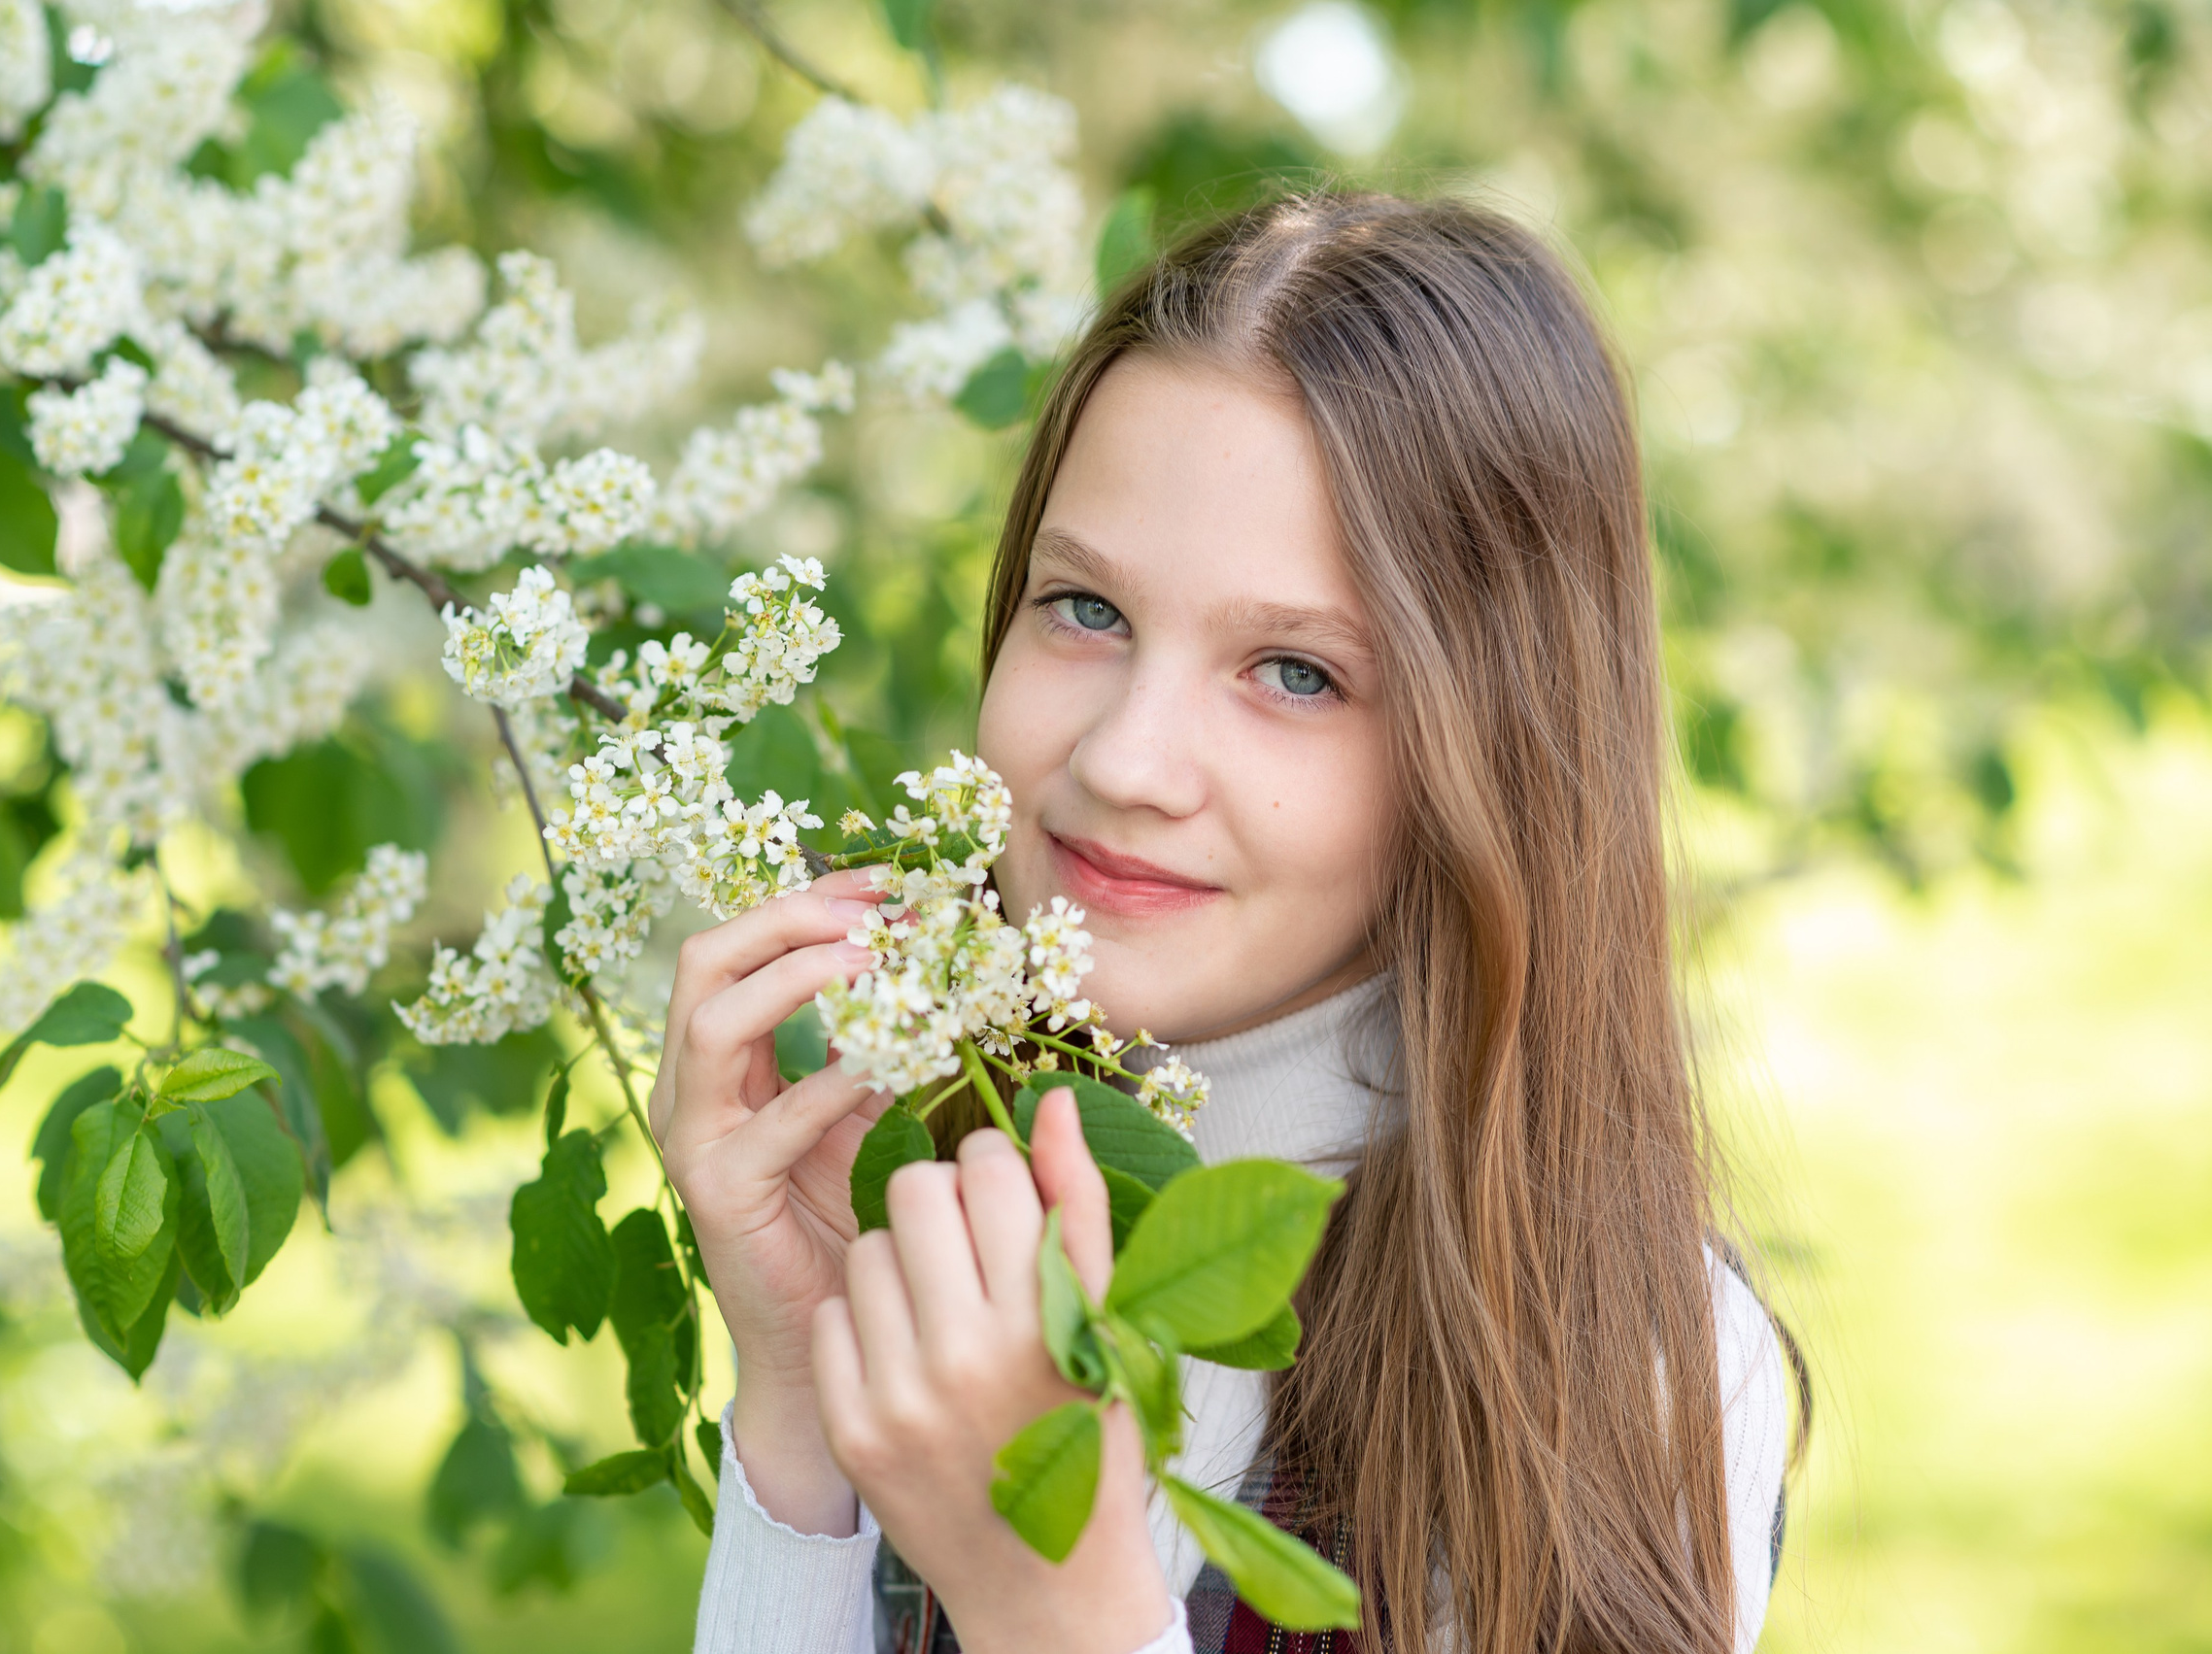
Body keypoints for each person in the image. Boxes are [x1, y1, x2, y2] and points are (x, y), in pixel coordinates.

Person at [652, 192, 1801, 1654]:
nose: (1125, 761)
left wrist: (1052, 1613)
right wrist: (804, 1408)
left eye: (1297, 673)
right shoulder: (963, 1212)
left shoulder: (1631, 1366)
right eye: (1085, 610)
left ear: (1488, 751)